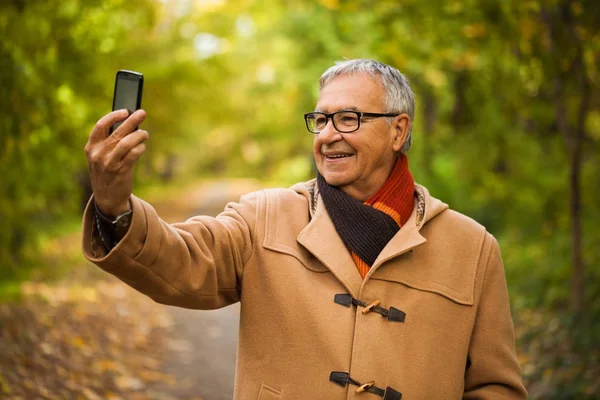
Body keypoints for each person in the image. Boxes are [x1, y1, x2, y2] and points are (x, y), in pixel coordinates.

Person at [83, 59, 527, 399]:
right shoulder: (264, 217)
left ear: (398, 131)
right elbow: (180, 261)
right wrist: (113, 203)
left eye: (349, 118)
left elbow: (495, 387)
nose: (328, 135)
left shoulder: (472, 248)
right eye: (321, 119)